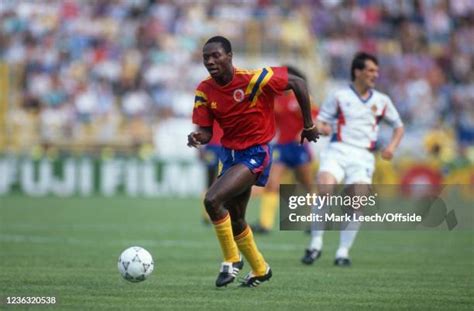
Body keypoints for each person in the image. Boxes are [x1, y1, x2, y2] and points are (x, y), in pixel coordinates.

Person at [188, 36, 319, 287]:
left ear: (230, 56)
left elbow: (299, 83)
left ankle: (231, 259)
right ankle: (260, 268)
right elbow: (206, 130)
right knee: (236, 218)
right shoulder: (204, 90)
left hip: (256, 153)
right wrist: (198, 137)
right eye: (206, 57)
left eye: (216, 55)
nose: (210, 61)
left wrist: (308, 124)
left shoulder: (254, 79)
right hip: (229, 156)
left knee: (213, 200)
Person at [301, 52, 404, 267]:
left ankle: (342, 251)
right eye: (370, 70)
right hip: (337, 150)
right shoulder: (339, 96)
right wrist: (323, 128)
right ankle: (315, 244)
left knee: (356, 202)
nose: (375, 75)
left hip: (363, 156)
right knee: (325, 187)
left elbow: (399, 126)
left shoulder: (382, 100)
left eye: (376, 71)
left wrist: (392, 147)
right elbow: (320, 121)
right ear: (357, 72)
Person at [252, 66, 318, 234]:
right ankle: (265, 224)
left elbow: (315, 116)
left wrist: (302, 131)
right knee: (272, 183)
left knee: (307, 185)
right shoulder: (277, 99)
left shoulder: (301, 97)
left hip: (299, 147)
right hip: (281, 146)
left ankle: (315, 220)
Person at [198, 121, 223, 225]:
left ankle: (211, 214)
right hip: (213, 146)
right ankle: (208, 214)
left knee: (218, 181)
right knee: (212, 181)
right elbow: (201, 127)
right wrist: (199, 147)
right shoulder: (209, 106)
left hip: (223, 146)